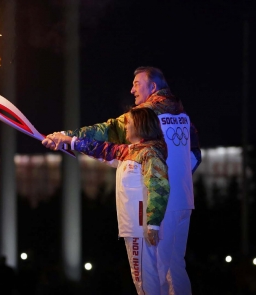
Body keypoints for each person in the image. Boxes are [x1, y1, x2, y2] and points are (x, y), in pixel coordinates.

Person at [43, 66, 201, 295]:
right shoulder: (184, 118)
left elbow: (105, 133)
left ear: (153, 86)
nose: (132, 89)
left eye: (137, 83)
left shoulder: (144, 117)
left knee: (151, 272)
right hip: (182, 202)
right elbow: (196, 156)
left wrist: (66, 137)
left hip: (154, 205)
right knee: (174, 269)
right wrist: (176, 181)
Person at [48, 107, 169, 294]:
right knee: (145, 279)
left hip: (141, 228)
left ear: (141, 125)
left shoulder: (149, 153)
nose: (125, 126)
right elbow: (101, 149)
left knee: (145, 279)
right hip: (135, 228)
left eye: (129, 123)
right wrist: (67, 141)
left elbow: (159, 187)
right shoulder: (130, 151)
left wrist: (152, 224)